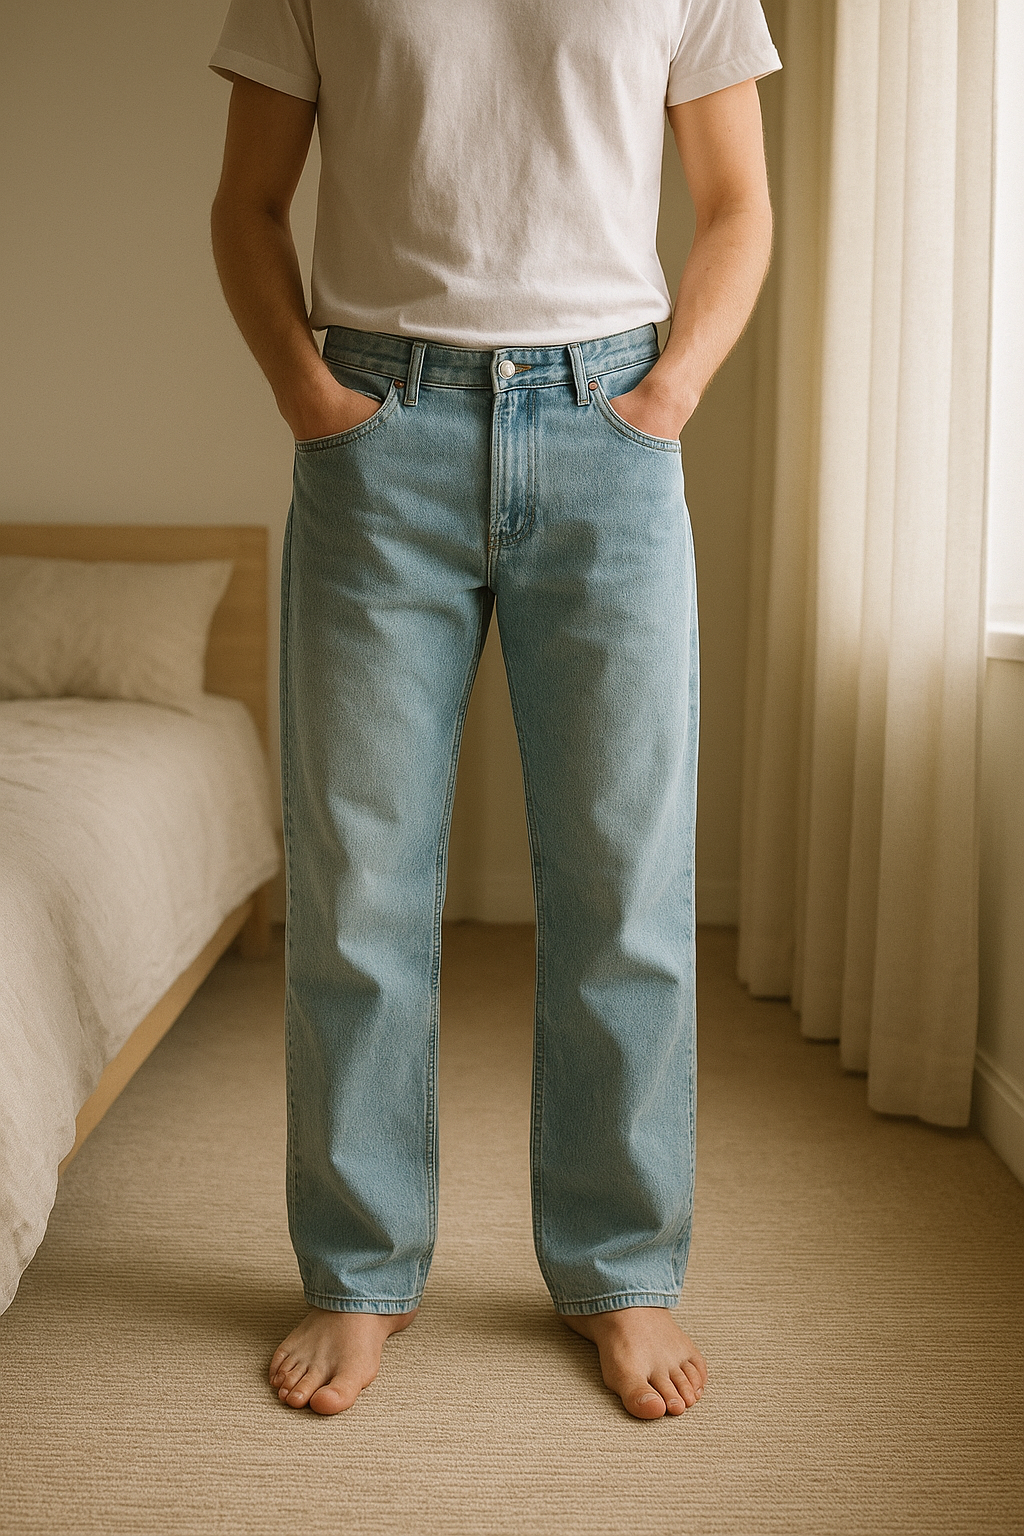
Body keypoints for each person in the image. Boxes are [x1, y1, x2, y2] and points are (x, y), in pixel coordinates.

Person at [209, 0, 779, 1420]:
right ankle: (357, 1271)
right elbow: (247, 202)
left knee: (627, 879)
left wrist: (670, 396)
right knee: (357, 887)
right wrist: (312, 397)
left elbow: (737, 204)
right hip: (377, 436)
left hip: (611, 433)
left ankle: (622, 1268)